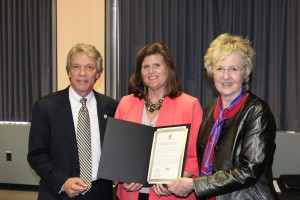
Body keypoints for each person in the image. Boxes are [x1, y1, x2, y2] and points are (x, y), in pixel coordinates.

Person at [167, 33, 279, 200]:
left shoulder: (257, 111)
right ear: (212, 72)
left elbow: (249, 171)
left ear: (245, 72)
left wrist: (195, 185)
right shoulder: (210, 109)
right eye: (220, 68)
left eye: (233, 69)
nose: (226, 76)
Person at [27, 43, 118, 200]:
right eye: (76, 67)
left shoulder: (111, 107)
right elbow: (36, 155)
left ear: (98, 74)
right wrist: (63, 182)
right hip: (59, 193)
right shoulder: (46, 107)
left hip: (101, 193)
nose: (82, 73)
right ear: (69, 71)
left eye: (89, 67)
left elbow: (117, 150)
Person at [115, 42, 203, 200]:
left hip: (171, 195)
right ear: (140, 72)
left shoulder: (189, 105)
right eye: (145, 66)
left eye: (156, 65)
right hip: (131, 194)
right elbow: (117, 152)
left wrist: (173, 183)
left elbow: (196, 156)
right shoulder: (126, 103)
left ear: (168, 68)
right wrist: (122, 177)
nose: (151, 71)